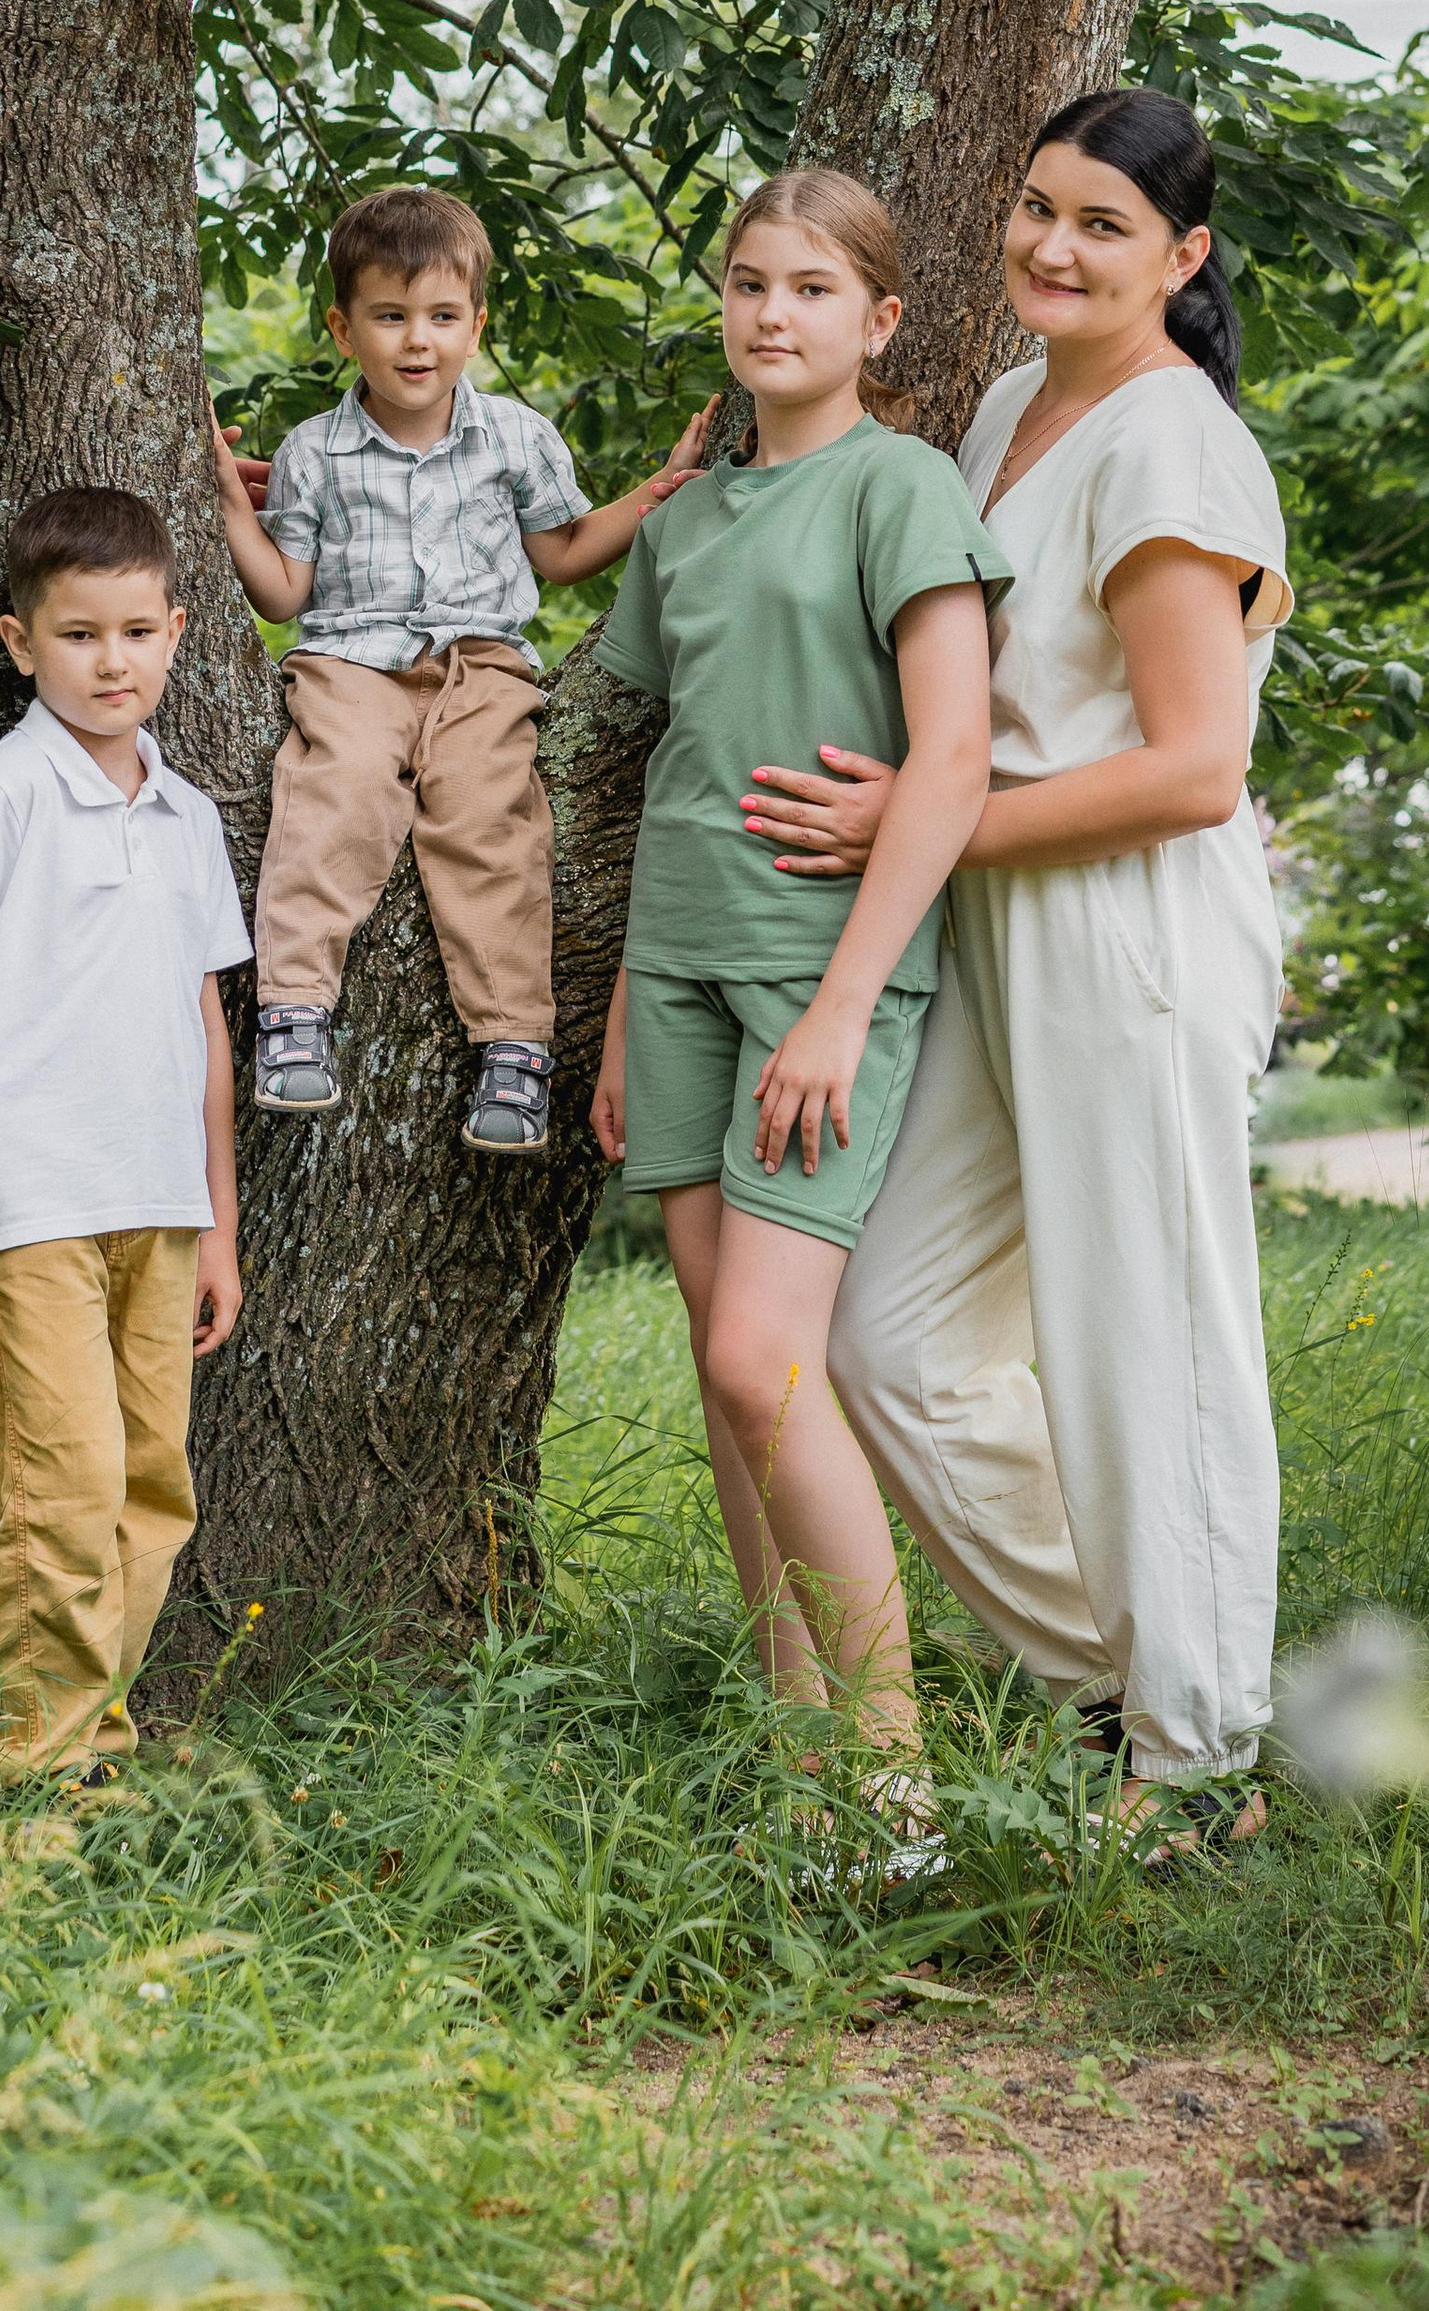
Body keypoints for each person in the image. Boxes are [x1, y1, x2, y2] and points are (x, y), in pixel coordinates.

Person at [753, 90, 1291, 1853]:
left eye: (1105, 228)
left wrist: (921, 824)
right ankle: (1119, 1690)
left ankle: (1201, 1767)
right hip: (987, 913)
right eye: (1039, 207)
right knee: (893, 1337)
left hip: (1128, 922)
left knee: (1148, 1333)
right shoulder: (1002, 404)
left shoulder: (1170, 445)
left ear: (1183, 259)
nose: (1054, 248)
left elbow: (1195, 766)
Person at [587, 170, 1004, 1756]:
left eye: (813, 290)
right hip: (679, 964)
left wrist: (840, 1008)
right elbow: (663, 766)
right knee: (722, 1376)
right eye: (751, 284)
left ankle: (891, 1775)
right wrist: (628, 1004)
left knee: (768, 1363)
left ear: (878, 318)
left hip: (823, 973)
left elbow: (952, 758)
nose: (775, 314)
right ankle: (800, 1744)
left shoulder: (901, 491)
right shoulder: (687, 518)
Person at [207, 184, 712, 1155]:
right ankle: (295, 1011)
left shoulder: (515, 437)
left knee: (490, 820)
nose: (416, 341)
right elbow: (282, 593)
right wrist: (229, 505)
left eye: (440, 317)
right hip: (350, 660)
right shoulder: (315, 451)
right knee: (335, 792)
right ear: (341, 328)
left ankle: (513, 1047)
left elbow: (561, 551)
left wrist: (651, 495)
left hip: (481, 667)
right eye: (388, 317)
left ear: (474, 327)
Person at [0, 486, 248, 1781]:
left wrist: (217, 1218)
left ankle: (85, 1739)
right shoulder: (2, 798)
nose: (112, 663)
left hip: (156, 1205)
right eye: (79, 636)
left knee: (152, 1493)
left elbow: (205, 1023)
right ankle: (39, 1785)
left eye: (135, 633)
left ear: (175, 632)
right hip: (28, 1200)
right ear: (18, 644)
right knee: (59, 1500)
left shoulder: (192, 818)